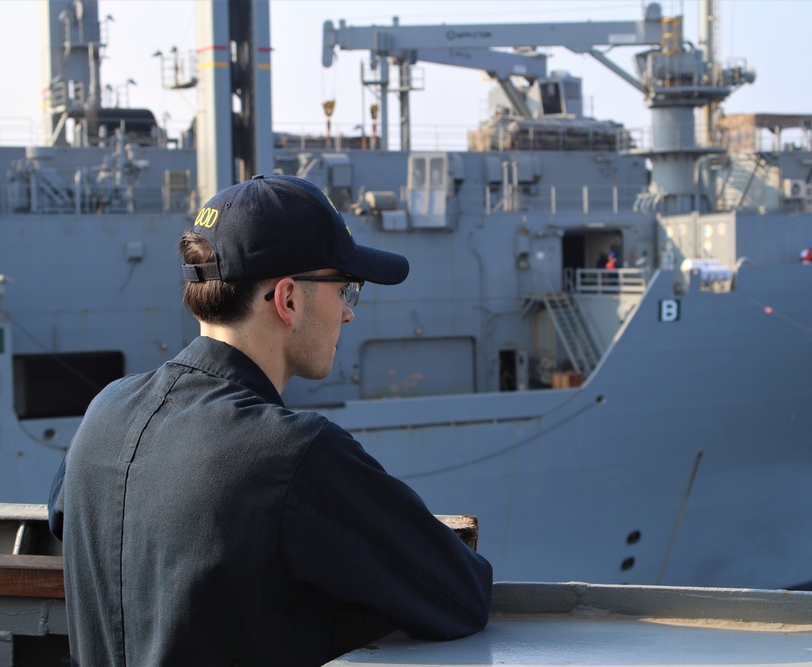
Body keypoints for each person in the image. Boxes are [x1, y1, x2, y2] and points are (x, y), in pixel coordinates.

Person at [48, 175, 493, 666]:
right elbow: (461, 595)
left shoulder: (107, 410)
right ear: (288, 300)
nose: (347, 313)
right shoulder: (293, 452)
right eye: (344, 288)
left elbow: (63, 515)